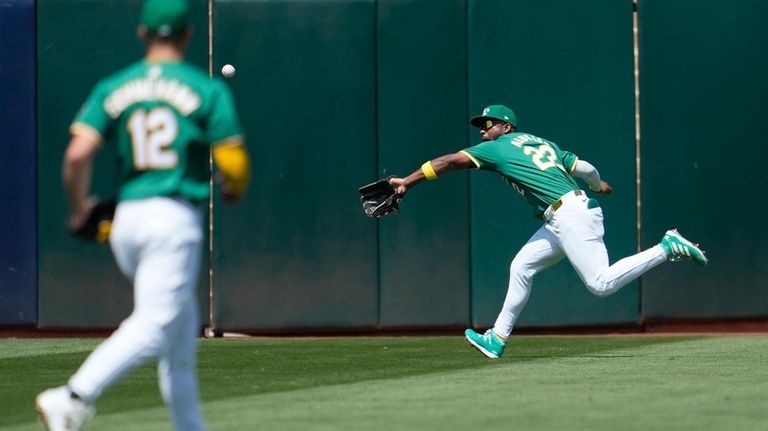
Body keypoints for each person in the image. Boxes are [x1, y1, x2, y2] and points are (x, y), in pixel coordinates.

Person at [35, 0, 251, 429]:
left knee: (178, 342)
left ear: (141, 34)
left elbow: (77, 154)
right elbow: (235, 165)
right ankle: (73, 397)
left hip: (128, 221)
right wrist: (234, 188)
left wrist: (79, 208)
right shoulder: (203, 89)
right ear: (188, 36)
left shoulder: (115, 86)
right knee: (155, 324)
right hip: (171, 221)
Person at [389, 104, 707, 360]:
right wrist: (599, 185)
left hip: (570, 216)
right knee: (522, 267)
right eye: (482, 125)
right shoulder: (543, 143)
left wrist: (407, 181)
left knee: (601, 283)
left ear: (506, 127)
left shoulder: (499, 148)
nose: (483, 129)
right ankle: (497, 338)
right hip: (563, 215)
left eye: (490, 123)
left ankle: (667, 246)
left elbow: (447, 162)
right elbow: (584, 168)